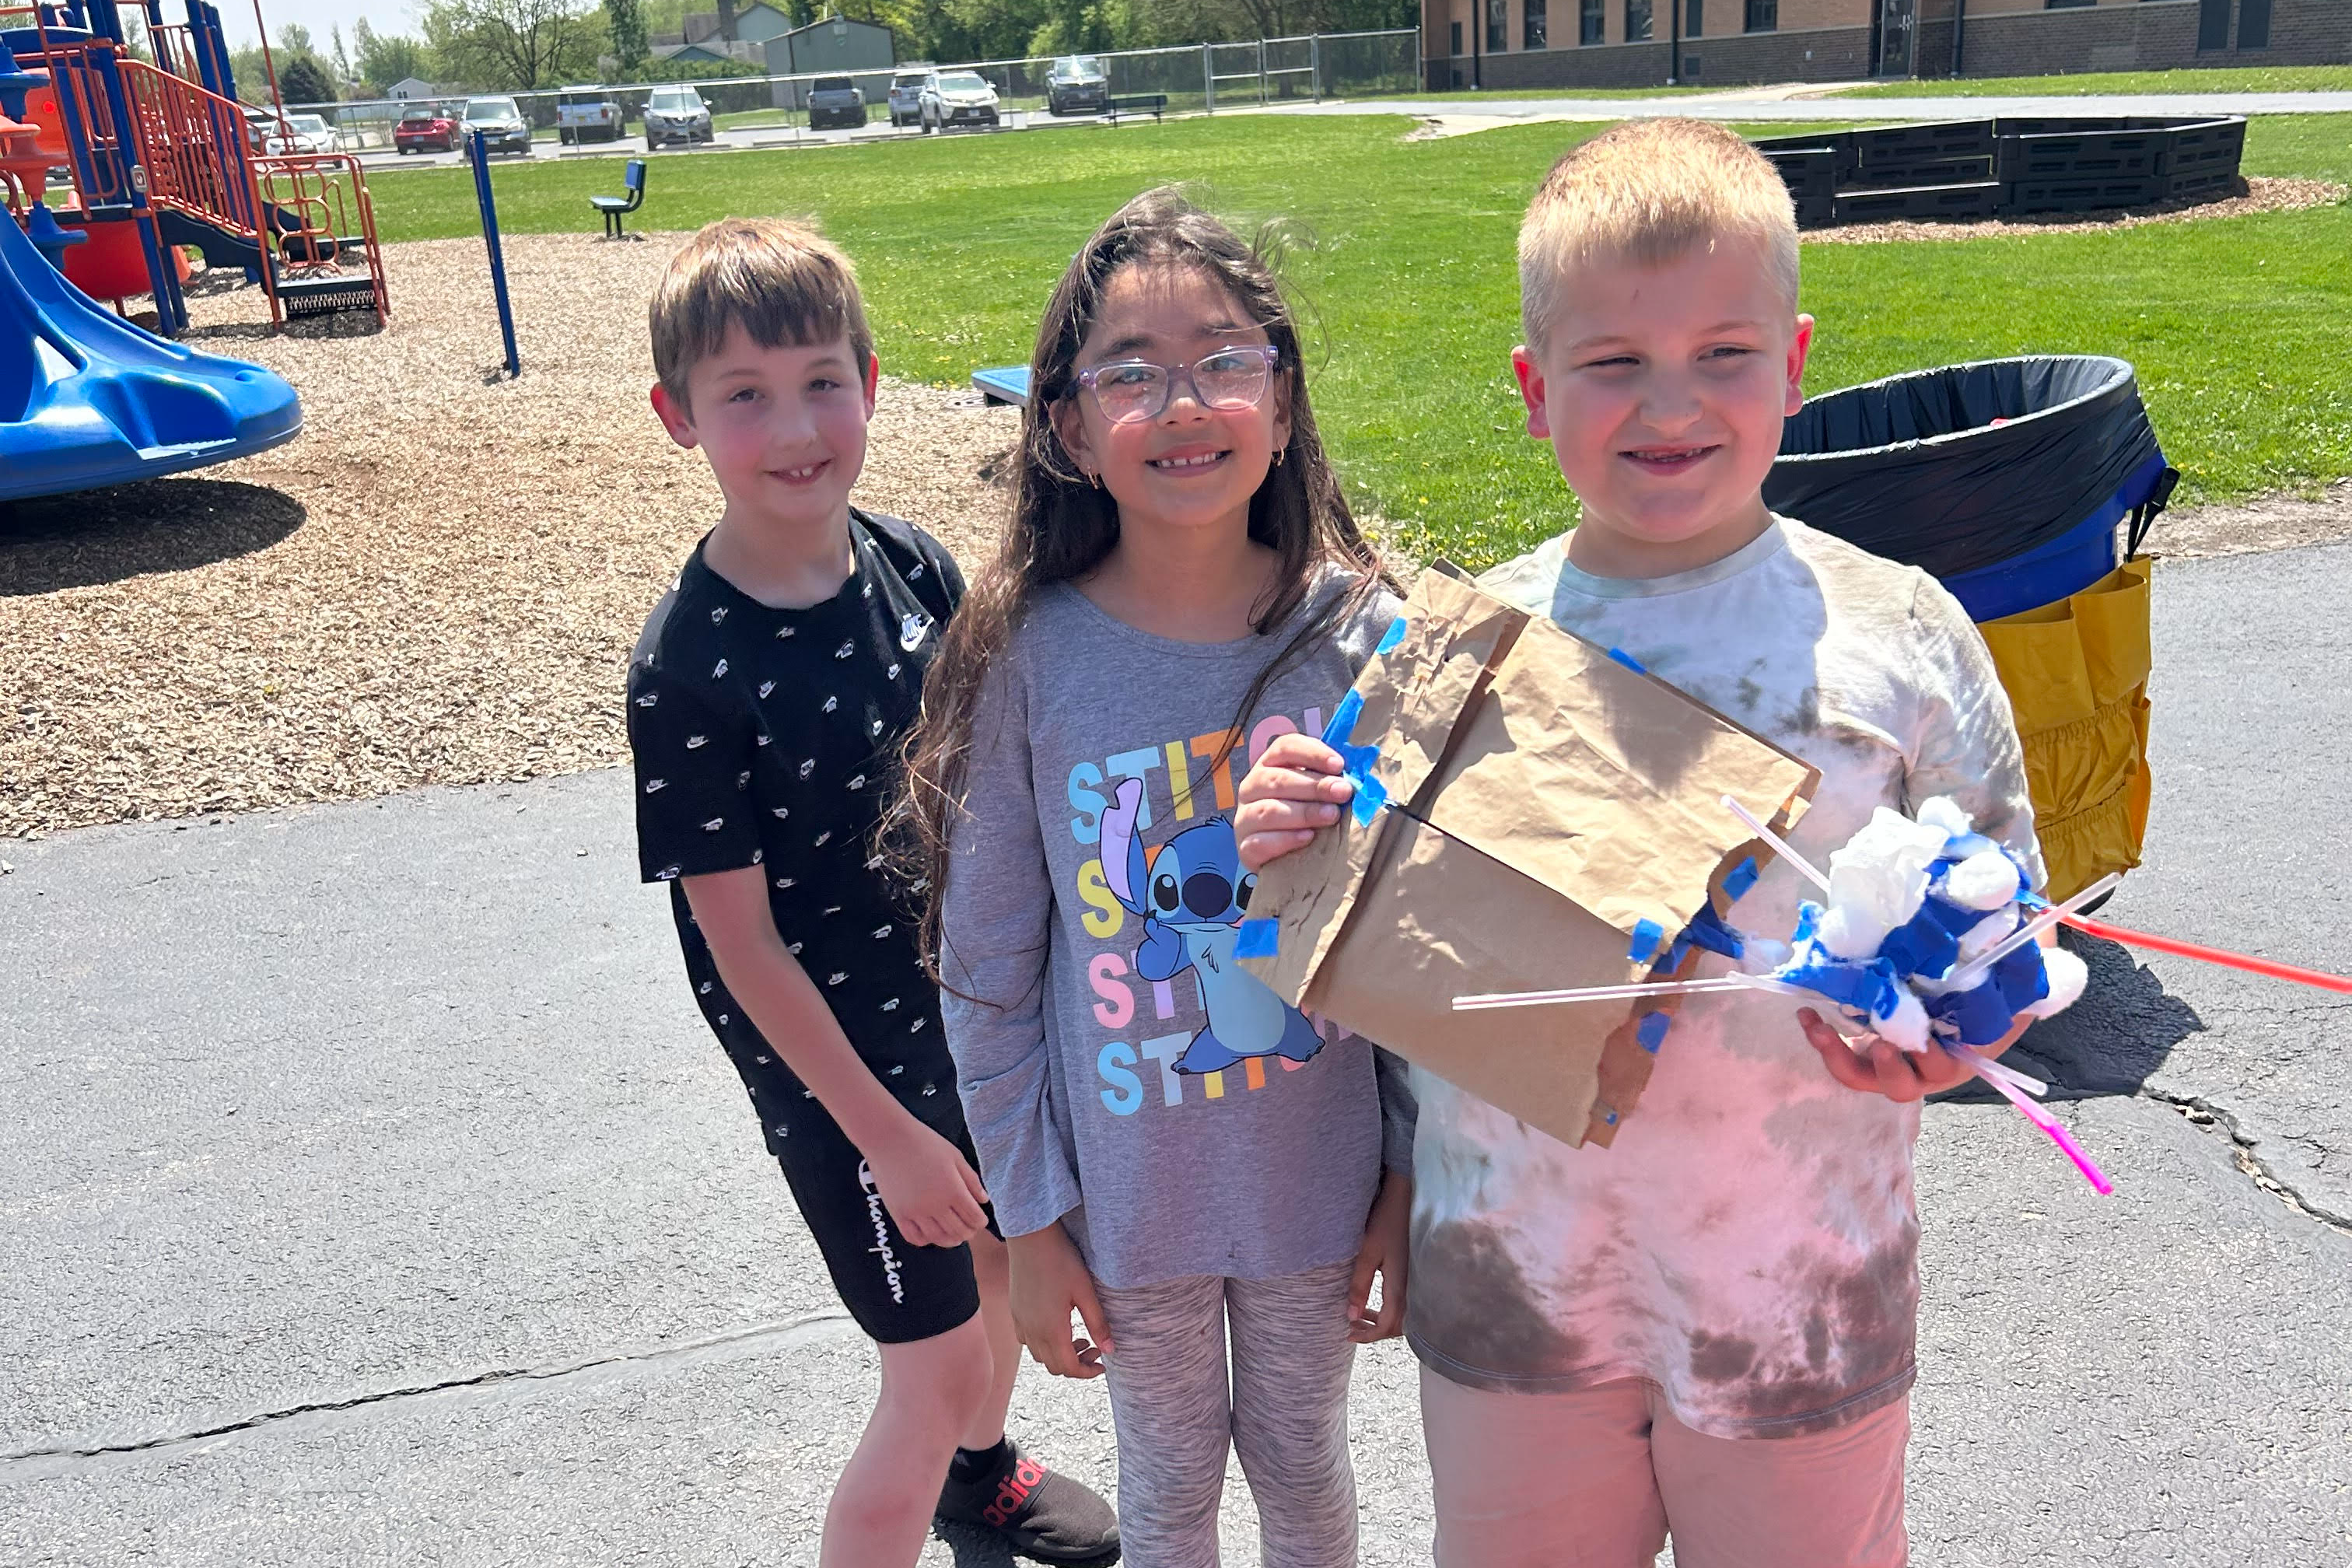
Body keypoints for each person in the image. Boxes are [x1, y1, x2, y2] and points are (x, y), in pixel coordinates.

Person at [1234, 119, 2052, 1567]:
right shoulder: (1460, 651)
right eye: (1613, 363)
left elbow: (2017, 935)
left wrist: (1961, 1035)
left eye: (1723, 354)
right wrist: (1289, 832)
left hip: (1797, 1301)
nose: (1669, 403)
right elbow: (1359, 922)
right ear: (1536, 389)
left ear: (1795, 363)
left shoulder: (1902, 639)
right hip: (1515, 1295)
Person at [895, 187, 1416, 1568]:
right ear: (1067, 424)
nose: (1184, 404)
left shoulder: (1366, 633)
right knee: (1170, 1488)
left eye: (1224, 359)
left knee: (1307, 1468)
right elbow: (992, 972)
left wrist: (1409, 1180)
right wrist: (1034, 1221)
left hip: (1321, 1180)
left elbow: (1432, 950)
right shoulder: (1027, 656)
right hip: (1129, 1209)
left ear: (1286, 398)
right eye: (1133, 372)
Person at [625, 217, 1117, 1568]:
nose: (795, 426)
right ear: (679, 418)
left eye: (820, 382)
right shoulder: (690, 666)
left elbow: (987, 775)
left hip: (964, 1016)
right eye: (745, 396)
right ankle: (929, 1478)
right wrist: (885, 1138)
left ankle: (983, 1482)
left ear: (873, 382)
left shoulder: (909, 564)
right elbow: (742, 951)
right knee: (936, 1360)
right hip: (841, 1073)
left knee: (1003, 1269)